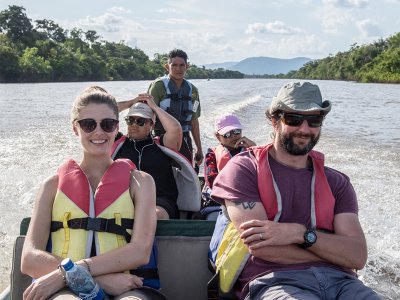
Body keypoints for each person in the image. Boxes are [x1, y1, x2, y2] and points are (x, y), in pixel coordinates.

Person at [211, 82, 381, 299]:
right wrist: (334, 251)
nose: (304, 129)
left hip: (343, 284)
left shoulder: (337, 182)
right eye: (293, 119)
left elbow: (356, 256)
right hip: (276, 281)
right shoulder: (244, 170)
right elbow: (262, 248)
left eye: (314, 121)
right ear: (274, 120)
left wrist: (300, 234)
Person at [21, 88, 166, 299]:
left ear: (117, 127)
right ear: (74, 128)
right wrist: (92, 279)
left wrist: (71, 271)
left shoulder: (141, 182)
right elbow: (29, 258)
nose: (99, 132)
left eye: (107, 124)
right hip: (66, 289)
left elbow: (140, 251)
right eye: (88, 124)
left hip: (128, 287)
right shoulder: (51, 186)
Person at [112, 93, 185, 219]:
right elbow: (104, 110)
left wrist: (155, 108)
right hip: (124, 199)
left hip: (159, 200)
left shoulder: (162, 145)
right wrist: (132, 102)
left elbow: (175, 129)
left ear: (151, 124)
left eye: (140, 121)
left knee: (152, 215)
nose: (134, 124)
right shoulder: (116, 142)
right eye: (130, 120)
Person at [147, 48, 203, 167]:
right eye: (174, 65)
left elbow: (194, 120)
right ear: (167, 67)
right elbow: (148, 116)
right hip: (161, 137)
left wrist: (199, 148)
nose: (178, 69)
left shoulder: (193, 91)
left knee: (186, 173)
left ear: (187, 66)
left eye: (182, 65)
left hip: (184, 139)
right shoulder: (158, 87)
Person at [202, 114, 256, 220]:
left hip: (247, 198)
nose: (233, 136)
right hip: (218, 201)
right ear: (218, 137)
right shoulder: (212, 154)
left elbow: (264, 172)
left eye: (236, 132)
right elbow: (211, 179)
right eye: (227, 134)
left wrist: (255, 148)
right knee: (213, 219)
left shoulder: (251, 150)